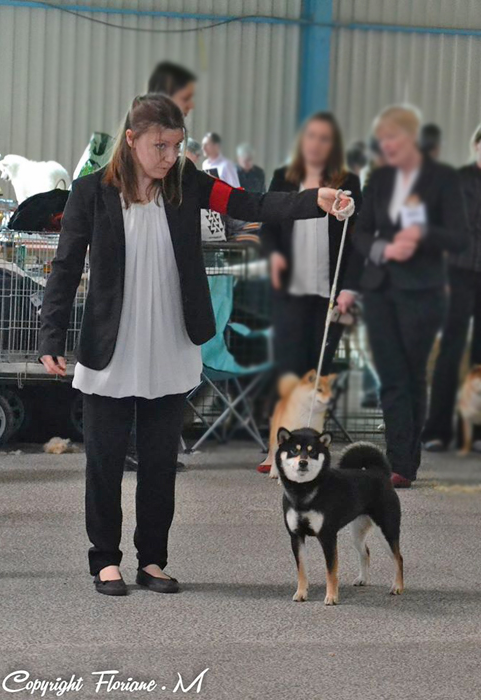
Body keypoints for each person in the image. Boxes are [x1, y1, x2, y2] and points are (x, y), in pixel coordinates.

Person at [38, 93, 353, 596]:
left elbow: (251, 204)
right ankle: (105, 561)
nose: (169, 157)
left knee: (161, 464)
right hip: (110, 346)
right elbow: (66, 266)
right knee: (104, 461)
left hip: (171, 341)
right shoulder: (90, 193)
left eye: (176, 146)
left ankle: (153, 561)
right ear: (131, 139)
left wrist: (314, 199)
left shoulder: (189, 184)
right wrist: (51, 333)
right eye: (159, 146)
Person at [352, 105, 468, 488]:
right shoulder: (379, 178)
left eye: (393, 138)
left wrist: (421, 236)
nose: (386, 146)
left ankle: (406, 460)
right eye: (382, 140)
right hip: (382, 287)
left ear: (411, 138)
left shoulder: (443, 179)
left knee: (411, 374)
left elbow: (458, 237)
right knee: (391, 376)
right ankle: (397, 462)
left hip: (423, 291)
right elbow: (361, 232)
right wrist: (384, 249)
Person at [260, 111, 362, 382]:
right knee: (290, 373)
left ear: (334, 146)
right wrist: (273, 257)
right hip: (290, 292)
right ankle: (286, 425)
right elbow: (268, 227)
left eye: (324, 139)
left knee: (318, 374)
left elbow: (358, 240)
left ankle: (311, 426)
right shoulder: (283, 178)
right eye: (311, 136)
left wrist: (349, 287)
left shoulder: (349, 182)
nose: (316, 144)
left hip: (331, 296)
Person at [423, 124, 481, 451]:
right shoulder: (457, 180)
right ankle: (437, 430)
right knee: (451, 351)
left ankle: (475, 433)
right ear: (475, 146)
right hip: (457, 274)